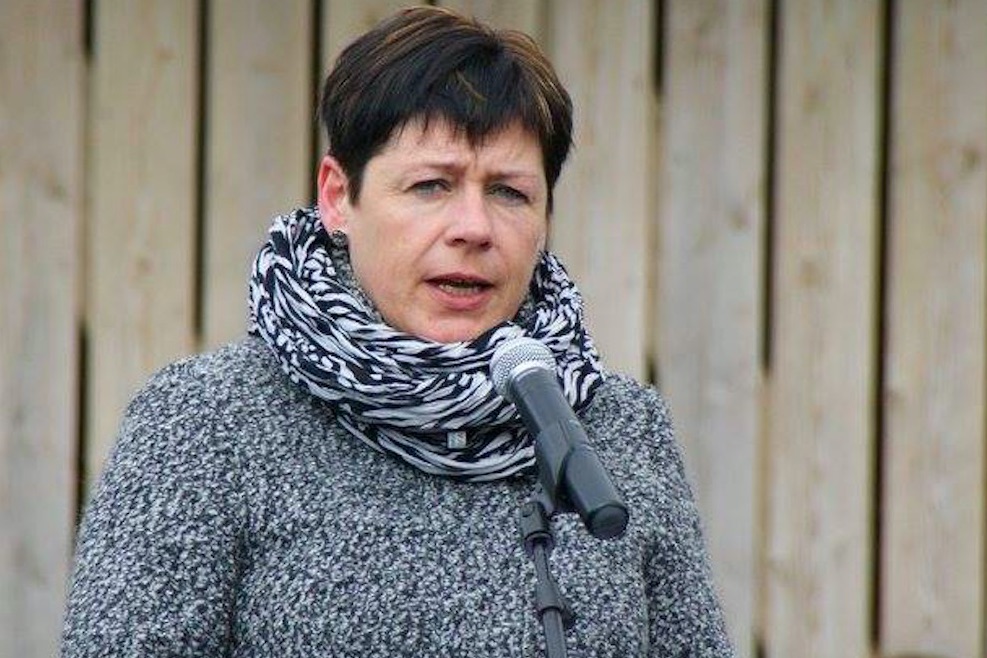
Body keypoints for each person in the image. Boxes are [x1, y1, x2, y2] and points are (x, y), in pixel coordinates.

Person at [61, 6, 734, 657]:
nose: (473, 227)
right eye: (431, 185)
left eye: (509, 192)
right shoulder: (206, 421)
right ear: (338, 197)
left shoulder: (621, 430)